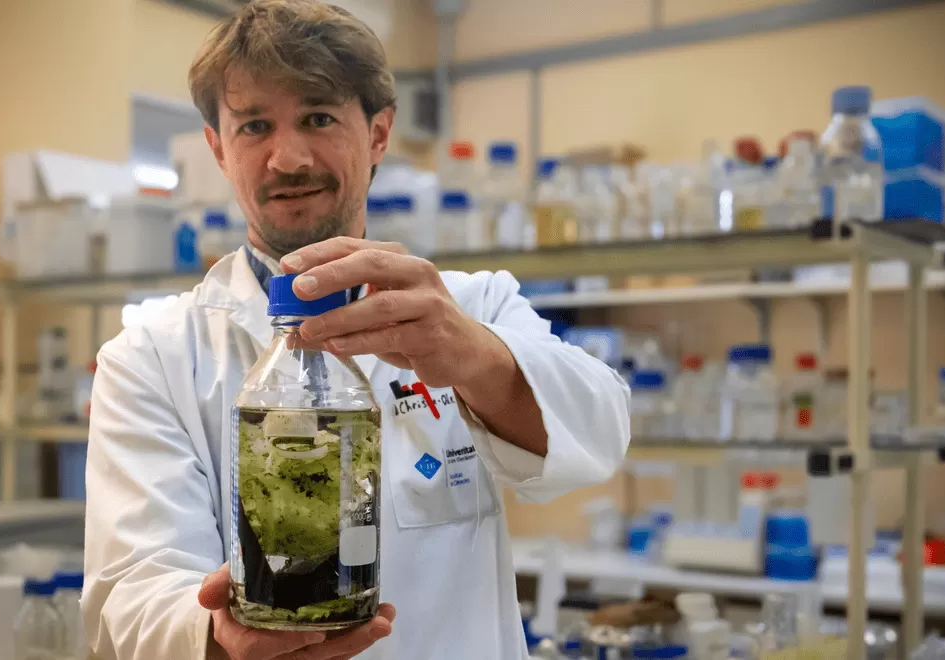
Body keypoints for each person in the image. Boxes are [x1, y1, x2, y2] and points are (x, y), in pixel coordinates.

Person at [82, 1, 630, 658]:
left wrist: (465, 352)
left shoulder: (473, 304)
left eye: (318, 117)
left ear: (376, 134)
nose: (287, 158)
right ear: (219, 150)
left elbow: (601, 431)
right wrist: (216, 634)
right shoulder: (151, 355)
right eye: (255, 126)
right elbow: (132, 590)